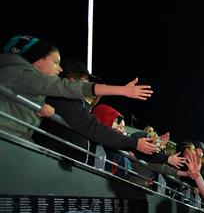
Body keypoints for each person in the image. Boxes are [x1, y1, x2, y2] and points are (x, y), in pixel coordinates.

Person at [0, 35, 153, 140]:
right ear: (38, 60)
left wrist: (40, 106)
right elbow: (64, 87)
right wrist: (121, 90)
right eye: (55, 62)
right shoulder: (18, 73)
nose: (59, 69)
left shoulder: (22, 79)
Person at [33, 58, 159, 164]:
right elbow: (92, 127)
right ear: (70, 79)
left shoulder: (71, 102)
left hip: (62, 162)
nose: (85, 87)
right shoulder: (60, 99)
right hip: (50, 161)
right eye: (83, 82)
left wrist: (89, 106)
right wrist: (134, 143)